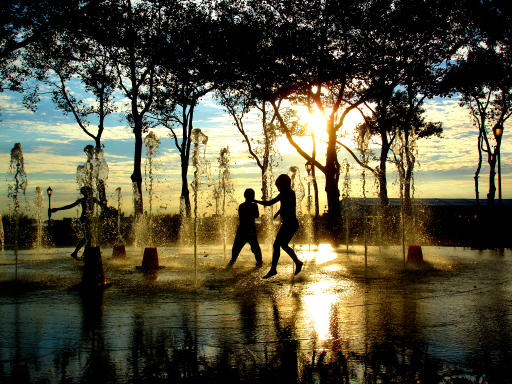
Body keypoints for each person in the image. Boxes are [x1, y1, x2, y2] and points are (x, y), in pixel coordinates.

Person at [255, 174, 303, 279]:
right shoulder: (290, 193)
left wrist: (256, 201)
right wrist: (277, 214)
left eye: (279, 186)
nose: (278, 189)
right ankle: (297, 263)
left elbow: (270, 203)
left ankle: (274, 269)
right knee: (282, 245)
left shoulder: (284, 193)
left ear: (284, 185)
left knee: (278, 245)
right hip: (291, 223)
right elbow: (286, 206)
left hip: (290, 223)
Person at [49, 186, 106, 261]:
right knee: (87, 237)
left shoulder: (86, 199)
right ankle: (77, 253)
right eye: (90, 191)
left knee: (89, 237)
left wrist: (57, 209)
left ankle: (84, 254)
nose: (91, 193)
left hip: (86, 219)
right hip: (85, 220)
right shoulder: (92, 199)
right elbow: (102, 205)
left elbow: (69, 206)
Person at [227, 188, 263, 269]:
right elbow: (256, 215)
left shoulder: (243, 206)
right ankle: (259, 263)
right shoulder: (251, 205)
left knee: (238, 248)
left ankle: (231, 264)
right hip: (248, 229)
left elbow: (253, 216)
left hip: (243, 229)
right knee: (255, 248)